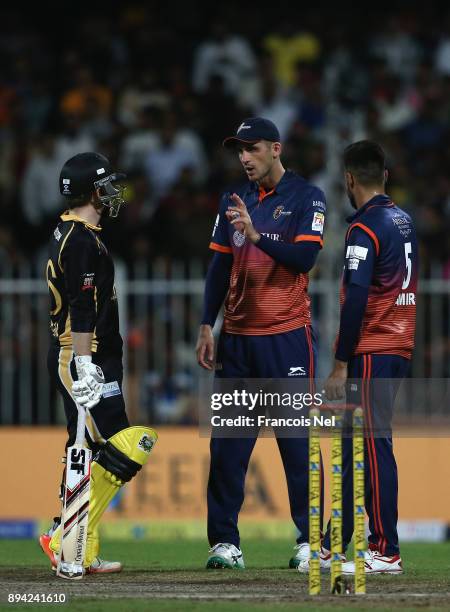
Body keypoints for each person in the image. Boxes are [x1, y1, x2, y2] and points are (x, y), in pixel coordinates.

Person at [196, 117, 326, 569]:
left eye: (252, 149)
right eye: (239, 150)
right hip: (237, 342)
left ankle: (311, 541)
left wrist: (257, 235)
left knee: (296, 442)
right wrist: (205, 324)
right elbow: (218, 267)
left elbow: (305, 258)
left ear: (276, 148)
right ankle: (225, 543)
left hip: (286, 339)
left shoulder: (308, 197)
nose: (244, 158)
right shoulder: (234, 200)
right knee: (227, 446)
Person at [300, 140, 417, 574]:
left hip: (372, 347)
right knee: (358, 444)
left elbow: (357, 299)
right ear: (383, 175)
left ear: (348, 180)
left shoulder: (363, 229)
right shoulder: (403, 219)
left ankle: (385, 550)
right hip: (399, 344)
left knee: (372, 444)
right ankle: (334, 542)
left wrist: (341, 360)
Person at [39, 152, 157, 575]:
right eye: (107, 185)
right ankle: (64, 538)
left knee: (91, 449)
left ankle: (81, 547)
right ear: (91, 190)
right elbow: (81, 308)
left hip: (92, 353)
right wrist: (86, 366)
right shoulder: (82, 241)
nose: (113, 193)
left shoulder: (74, 232)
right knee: (124, 448)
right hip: (82, 354)